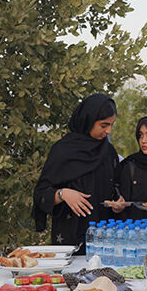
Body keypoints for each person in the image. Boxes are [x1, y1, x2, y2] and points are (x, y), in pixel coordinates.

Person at [32, 94, 123, 250]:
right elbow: (41, 194)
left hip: (104, 239)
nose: (108, 131)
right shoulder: (62, 151)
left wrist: (119, 201)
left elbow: (114, 184)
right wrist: (62, 194)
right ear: (88, 121)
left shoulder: (108, 151)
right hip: (69, 238)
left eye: (111, 125)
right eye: (103, 125)